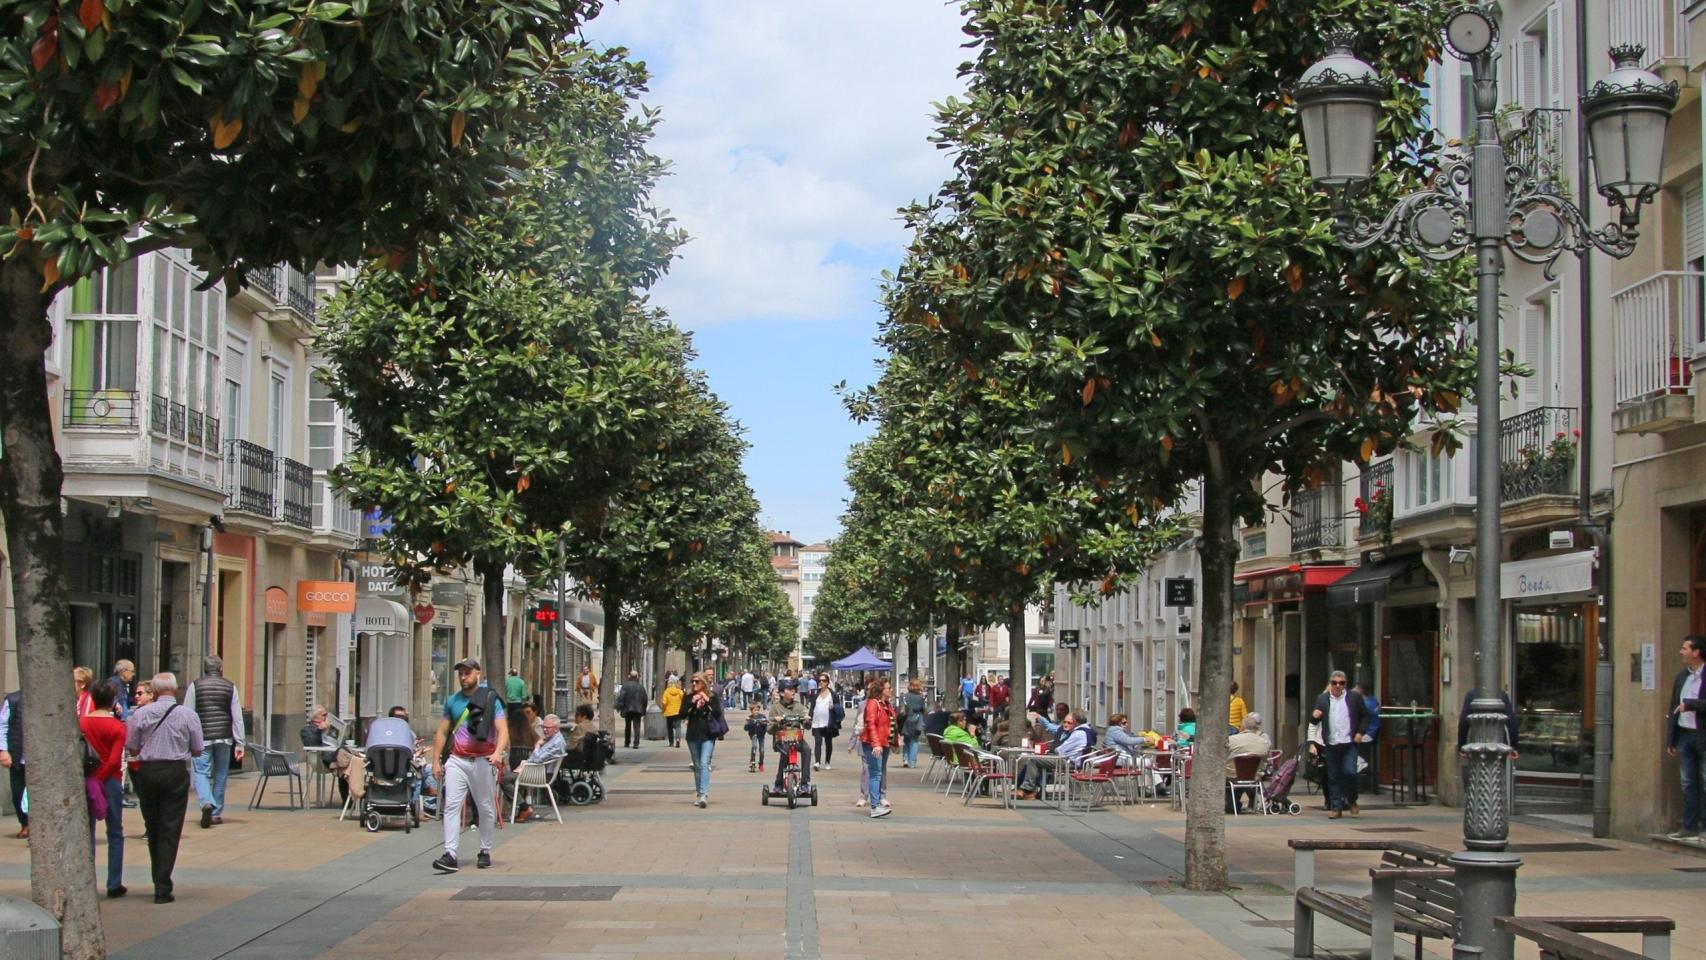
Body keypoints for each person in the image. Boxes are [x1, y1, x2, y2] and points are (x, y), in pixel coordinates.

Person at [126, 672, 204, 903]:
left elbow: (132, 747)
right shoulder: (188, 715)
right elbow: (198, 749)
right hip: (175, 771)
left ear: (156, 691)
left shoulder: (141, 714)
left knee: (153, 825)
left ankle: (157, 878)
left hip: (148, 772)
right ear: (175, 690)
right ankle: (163, 884)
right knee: (170, 828)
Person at [431, 658, 508, 874]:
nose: (463, 678)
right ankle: (450, 854)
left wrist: (497, 752)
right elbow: (442, 731)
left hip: (483, 760)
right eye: (461, 674)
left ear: (478, 673)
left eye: (467, 673)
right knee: (451, 806)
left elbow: (502, 730)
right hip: (458, 759)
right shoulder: (452, 701)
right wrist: (436, 760)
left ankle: (484, 849)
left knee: (485, 807)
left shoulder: (490, 699)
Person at [81, 679, 128, 897]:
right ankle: (114, 882)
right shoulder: (117, 727)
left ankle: (87, 881)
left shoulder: (81, 723)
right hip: (109, 780)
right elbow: (113, 760)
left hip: (87, 779)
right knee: (115, 831)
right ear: (112, 702)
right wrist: (101, 778)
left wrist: (92, 779)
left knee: (87, 831)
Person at [185, 656, 244, 828]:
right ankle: (216, 812)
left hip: (202, 737)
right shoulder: (230, 687)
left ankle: (206, 802)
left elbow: (188, 713)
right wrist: (240, 743)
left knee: (201, 772)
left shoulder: (195, 686)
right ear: (221, 669)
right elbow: (237, 717)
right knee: (220, 774)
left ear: (204, 669)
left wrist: (188, 737)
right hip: (224, 737)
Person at [1312, 670, 1371, 818]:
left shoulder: (1354, 698)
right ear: (1330, 684)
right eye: (1335, 683)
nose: (1338, 686)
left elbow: (1365, 716)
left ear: (1345, 684)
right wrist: (1315, 716)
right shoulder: (1322, 699)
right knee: (1333, 776)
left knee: (1349, 772)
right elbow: (1314, 722)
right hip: (1331, 743)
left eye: (1341, 683)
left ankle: (1352, 800)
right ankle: (1336, 807)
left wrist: (1360, 732)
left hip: (1349, 743)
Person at [1667, 635, 1706, 840]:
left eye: (1685, 648)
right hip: (1685, 735)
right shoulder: (1683, 677)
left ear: (1696, 652)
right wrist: (1671, 739)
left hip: (1703, 736)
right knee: (1687, 783)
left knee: (1705, 781)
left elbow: (1689, 705)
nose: (1681, 652)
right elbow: (1673, 707)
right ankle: (1689, 826)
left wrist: (1691, 705)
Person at [503, 713, 566, 822]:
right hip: (535, 769)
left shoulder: (556, 742)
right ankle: (523, 807)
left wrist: (537, 745)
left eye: (548, 728)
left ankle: (524, 807)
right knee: (509, 777)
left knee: (504, 780)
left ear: (556, 729)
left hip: (540, 774)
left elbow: (537, 759)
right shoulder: (552, 739)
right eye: (543, 727)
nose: (545, 730)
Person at [1015, 709, 1090, 800]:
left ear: (1076, 722)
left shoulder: (1078, 733)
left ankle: (1027, 789)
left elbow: (1060, 750)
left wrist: (1054, 750)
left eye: (1070, 722)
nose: (1066, 724)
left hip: (1068, 761)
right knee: (1036, 761)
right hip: (1067, 759)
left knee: (1034, 760)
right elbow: (1050, 727)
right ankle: (1033, 790)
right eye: (1064, 722)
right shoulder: (1084, 731)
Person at [681, 673, 724, 807]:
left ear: (704, 684)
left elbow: (717, 713)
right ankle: (699, 793)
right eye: (692, 681)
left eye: (697, 682)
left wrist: (707, 701)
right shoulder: (688, 696)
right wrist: (692, 703)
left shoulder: (712, 696)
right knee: (697, 765)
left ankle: (704, 794)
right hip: (693, 735)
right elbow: (681, 713)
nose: (694, 684)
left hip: (708, 734)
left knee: (704, 764)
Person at [301, 704, 352, 803]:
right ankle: (348, 801)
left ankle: (354, 799)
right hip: (321, 759)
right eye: (324, 715)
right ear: (315, 717)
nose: (326, 717)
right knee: (344, 767)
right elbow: (311, 744)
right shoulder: (307, 730)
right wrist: (319, 730)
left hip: (334, 756)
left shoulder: (329, 726)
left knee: (349, 766)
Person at [860, 677, 896, 818]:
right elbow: (871, 724)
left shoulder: (886, 704)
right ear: (881, 690)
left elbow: (890, 724)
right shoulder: (873, 704)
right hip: (873, 743)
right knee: (875, 773)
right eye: (888, 688)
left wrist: (894, 740)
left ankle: (877, 804)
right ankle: (875, 806)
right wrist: (876, 743)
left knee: (878, 772)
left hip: (883, 743)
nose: (891, 690)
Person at [769, 680, 812, 793]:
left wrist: (807, 721)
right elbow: (769, 729)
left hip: (797, 738)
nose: (793, 691)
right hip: (782, 740)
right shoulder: (775, 708)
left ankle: (805, 783)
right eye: (789, 689)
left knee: (807, 749)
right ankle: (778, 783)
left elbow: (807, 726)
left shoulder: (799, 706)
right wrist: (776, 723)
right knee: (785, 751)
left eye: (794, 689)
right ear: (782, 693)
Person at [0, 689, 24, 838]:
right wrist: (3, 750)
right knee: (18, 794)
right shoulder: (13, 699)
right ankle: (25, 822)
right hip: (18, 756)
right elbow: (2, 725)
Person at [809, 675, 843, 771]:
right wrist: (809, 717)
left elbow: (839, 708)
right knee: (818, 742)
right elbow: (812, 707)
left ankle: (827, 761)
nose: (821, 682)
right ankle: (817, 762)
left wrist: (834, 707)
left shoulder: (833, 694)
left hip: (828, 723)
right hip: (817, 722)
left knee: (828, 743)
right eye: (820, 680)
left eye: (823, 680)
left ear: (827, 682)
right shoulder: (816, 694)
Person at [899, 679, 928, 768]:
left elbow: (901, 709)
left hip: (906, 720)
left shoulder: (905, 696)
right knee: (914, 741)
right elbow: (923, 710)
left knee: (906, 740)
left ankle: (905, 759)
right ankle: (913, 762)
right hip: (917, 720)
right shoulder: (921, 698)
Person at [616, 671, 648, 749]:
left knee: (627, 726)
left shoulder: (625, 686)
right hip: (638, 710)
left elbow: (621, 697)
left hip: (628, 709)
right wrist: (643, 709)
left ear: (629, 676)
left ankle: (627, 742)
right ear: (637, 677)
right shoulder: (641, 687)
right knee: (637, 726)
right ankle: (636, 743)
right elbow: (645, 699)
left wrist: (619, 707)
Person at [660, 678, 684, 748]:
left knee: (669, 727)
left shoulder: (666, 692)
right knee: (678, 726)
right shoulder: (679, 691)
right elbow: (683, 699)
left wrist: (663, 707)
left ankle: (671, 742)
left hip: (669, 712)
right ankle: (678, 740)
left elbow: (664, 702)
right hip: (678, 712)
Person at [744, 702, 767, 772]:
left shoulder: (762, 717)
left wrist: (764, 723)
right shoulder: (750, 718)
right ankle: (752, 761)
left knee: (762, 750)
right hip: (753, 734)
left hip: (761, 735)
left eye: (757, 710)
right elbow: (745, 728)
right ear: (751, 711)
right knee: (754, 746)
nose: (756, 712)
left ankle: (761, 763)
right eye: (754, 710)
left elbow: (766, 724)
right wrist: (748, 722)